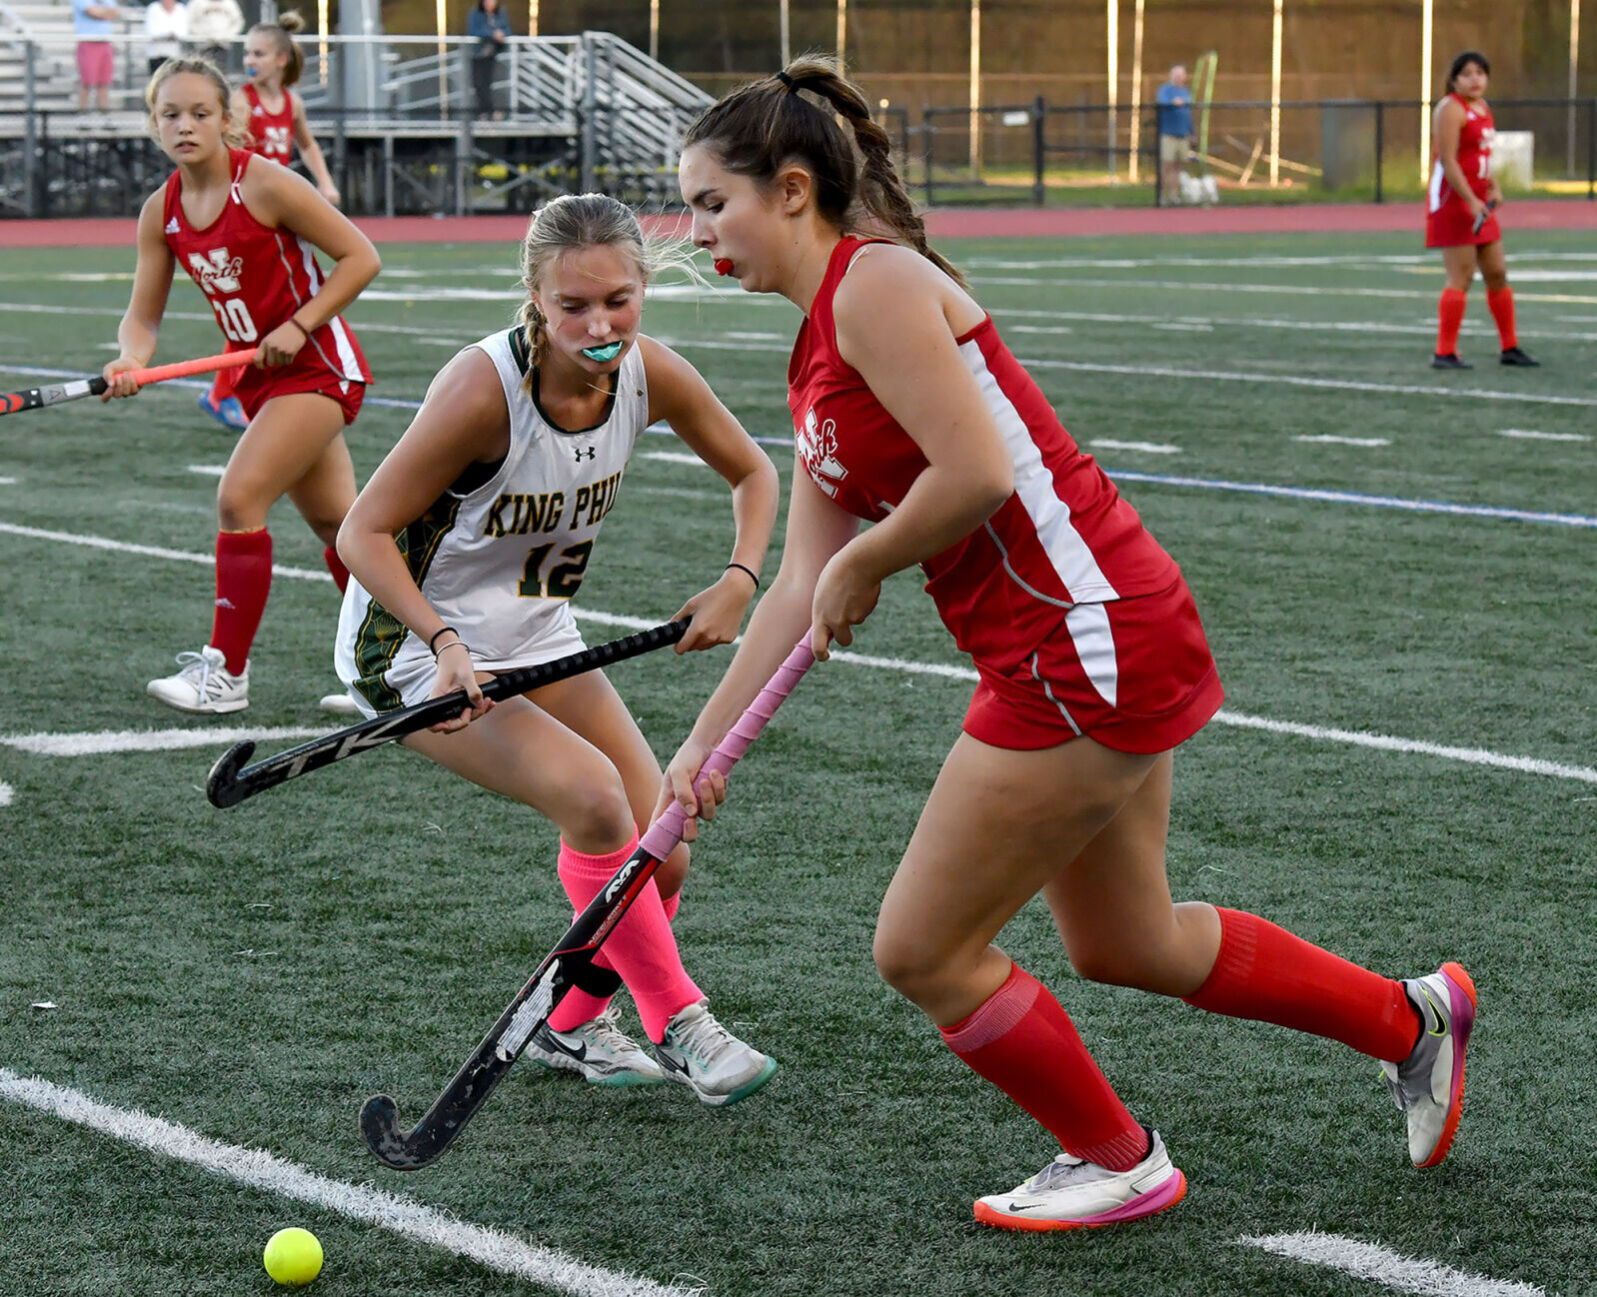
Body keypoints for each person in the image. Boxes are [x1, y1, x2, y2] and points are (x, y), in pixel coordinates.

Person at [663, 58, 1478, 1231]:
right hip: (1079, 636)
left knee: (922, 948)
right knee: (1125, 940)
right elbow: (800, 579)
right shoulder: (815, 344)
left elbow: (976, 475)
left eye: (709, 202)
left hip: (1082, 641)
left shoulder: (874, 285)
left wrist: (867, 560)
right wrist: (702, 752)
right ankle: (1412, 1021)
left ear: (790, 190)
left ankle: (1116, 1157)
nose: (697, 232)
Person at [332, 193, 783, 1102]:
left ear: (642, 288)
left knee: (666, 853)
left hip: (541, 633)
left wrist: (740, 577)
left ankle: (570, 1024)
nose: (600, 322)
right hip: (414, 651)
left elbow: (754, 470)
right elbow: (361, 533)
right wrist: (446, 642)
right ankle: (679, 1020)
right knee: (593, 797)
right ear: (535, 297)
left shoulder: (651, 375)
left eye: (617, 299)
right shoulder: (483, 389)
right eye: (573, 305)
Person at [102, 57, 378, 715]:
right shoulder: (160, 212)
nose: (185, 124)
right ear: (154, 123)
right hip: (260, 379)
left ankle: (225, 674)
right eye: (170, 114)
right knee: (346, 530)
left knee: (238, 498)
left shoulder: (265, 185)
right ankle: (397, 669)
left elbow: (361, 256)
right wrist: (128, 358)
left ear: (228, 120)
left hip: (317, 366)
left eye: (201, 112)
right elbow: (143, 315)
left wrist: (299, 322)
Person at [198, 10, 342, 433]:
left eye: (259, 53)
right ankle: (223, 392)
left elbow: (308, 144)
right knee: (255, 310)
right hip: (249, 210)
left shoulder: (291, 102)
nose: (251, 60)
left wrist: (325, 183)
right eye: (247, 53)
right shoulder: (241, 101)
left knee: (286, 301)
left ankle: (264, 383)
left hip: (278, 211)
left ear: (281, 59)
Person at [1427, 50, 1538, 370]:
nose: (1475, 79)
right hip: (1454, 201)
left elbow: (1482, 155)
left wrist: (1492, 186)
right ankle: (1444, 353)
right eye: (1467, 74)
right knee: (1461, 275)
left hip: (1477, 201)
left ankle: (1510, 347)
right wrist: (1469, 200)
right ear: (1454, 79)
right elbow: (1448, 160)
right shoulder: (1450, 108)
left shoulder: (1483, 107)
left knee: (1497, 273)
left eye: (1480, 73)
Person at [72, 0, 120, 115]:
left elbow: (115, 12)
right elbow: (93, 12)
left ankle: (105, 116)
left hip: (105, 42)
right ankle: (82, 115)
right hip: (88, 41)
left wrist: (101, 12)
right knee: (86, 82)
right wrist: (104, 12)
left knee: (104, 82)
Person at [466, 0, 510, 122]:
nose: (489, 3)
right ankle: (488, 112)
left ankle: (487, 112)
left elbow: (507, 30)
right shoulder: (475, 13)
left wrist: (501, 34)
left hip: (492, 52)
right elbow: (474, 31)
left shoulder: (501, 13)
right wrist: (492, 34)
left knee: (486, 82)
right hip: (477, 53)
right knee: (478, 83)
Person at [1155, 63, 1192, 205]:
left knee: (1178, 166)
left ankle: (1174, 195)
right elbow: (1162, 103)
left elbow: (1188, 114)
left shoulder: (1186, 92)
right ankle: (1160, 195)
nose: (1178, 78)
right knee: (1166, 165)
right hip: (1168, 134)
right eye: (1176, 75)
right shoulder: (1165, 90)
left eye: (1181, 75)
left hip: (1183, 135)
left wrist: (1191, 132)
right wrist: (1173, 102)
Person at [185, 0, 241, 70]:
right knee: (204, 71)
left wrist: (227, 35)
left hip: (223, 46)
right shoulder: (197, 3)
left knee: (221, 72)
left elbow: (238, 22)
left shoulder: (229, 3)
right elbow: (190, 22)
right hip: (203, 46)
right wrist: (203, 34)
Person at [144, 0, 189, 79]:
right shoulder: (153, 8)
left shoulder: (180, 9)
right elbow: (151, 31)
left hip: (174, 54)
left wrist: (171, 34)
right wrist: (169, 34)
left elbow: (183, 32)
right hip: (156, 54)